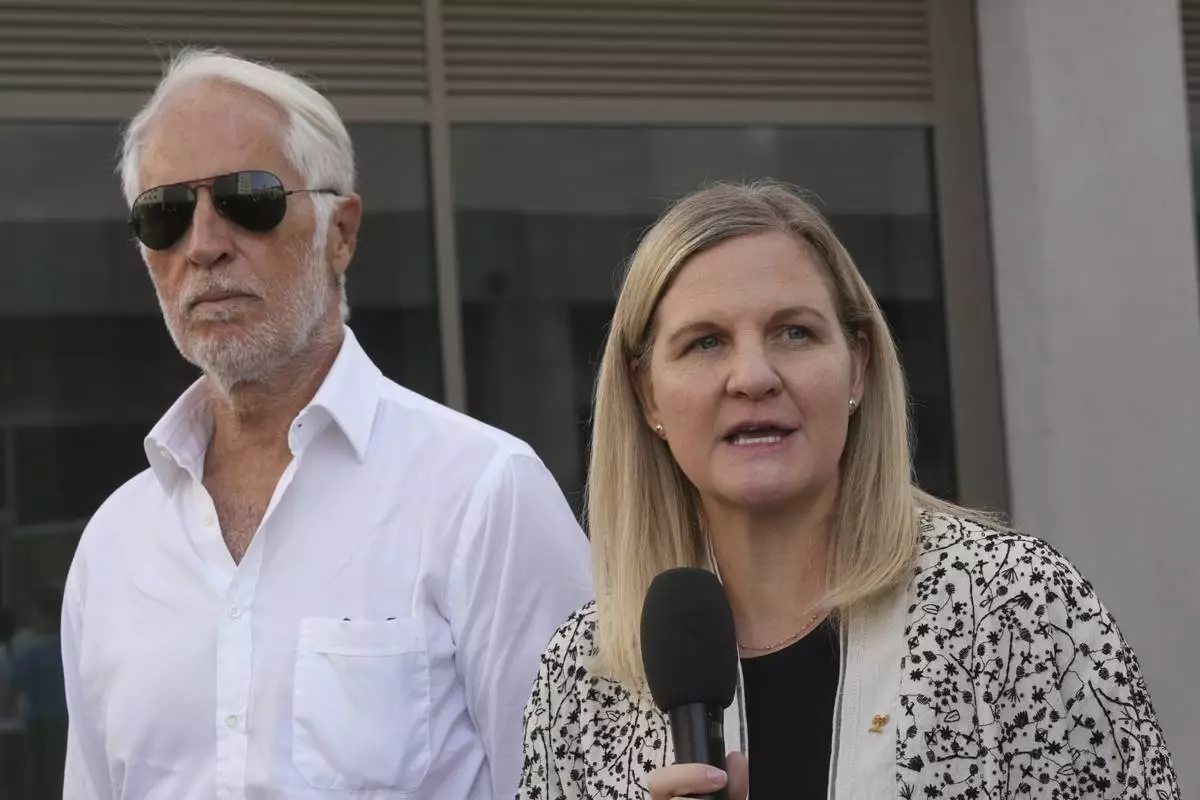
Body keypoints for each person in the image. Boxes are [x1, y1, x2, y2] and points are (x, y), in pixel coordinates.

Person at [516, 181, 1179, 799]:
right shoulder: (586, 672)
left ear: (858, 365)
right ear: (646, 396)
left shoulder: (1010, 607)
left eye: (794, 333)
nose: (752, 377)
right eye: (706, 342)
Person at [61, 47, 592, 799]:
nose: (204, 244)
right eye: (165, 214)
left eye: (249, 199)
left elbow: (576, 784)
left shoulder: (483, 494)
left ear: (339, 231)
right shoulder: (113, 548)